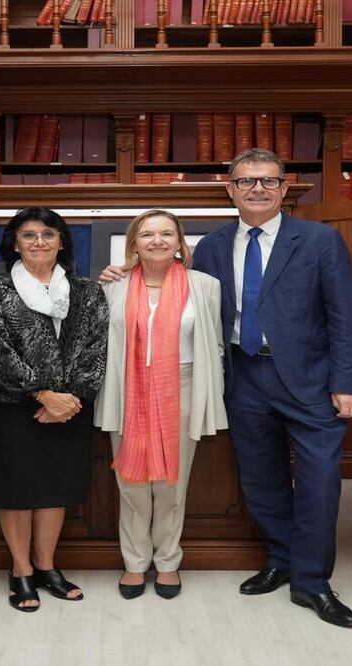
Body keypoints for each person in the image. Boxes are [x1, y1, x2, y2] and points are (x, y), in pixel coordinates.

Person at [101, 148, 352, 627]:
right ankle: (281, 560)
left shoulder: (320, 240)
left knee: (318, 484)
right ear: (231, 190)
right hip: (243, 377)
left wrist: (348, 381)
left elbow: (346, 315)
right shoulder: (216, 246)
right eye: (246, 182)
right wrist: (121, 274)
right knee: (261, 481)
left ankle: (312, 583)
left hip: (311, 382)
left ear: (285, 188)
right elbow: (187, 301)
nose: (258, 189)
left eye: (268, 180)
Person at [0, 207, 108, 612]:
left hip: (70, 409)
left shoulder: (87, 291)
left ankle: (47, 567)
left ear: (62, 241)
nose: (39, 242)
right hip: (11, 408)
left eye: (48, 234)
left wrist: (71, 398)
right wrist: (42, 394)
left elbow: (96, 348)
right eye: (28, 235)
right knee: (16, 492)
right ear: (14, 243)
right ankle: (20, 570)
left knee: (55, 489)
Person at [93, 209, 227, 601]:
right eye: (147, 233)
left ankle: (168, 562)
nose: (157, 240)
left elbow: (216, 345)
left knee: (172, 484)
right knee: (131, 484)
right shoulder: (112, 286)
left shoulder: (205, 286)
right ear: (134, 242)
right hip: (126, 389)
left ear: (180, 242)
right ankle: (135, 563)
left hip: (182, 389)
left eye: (166, 233)